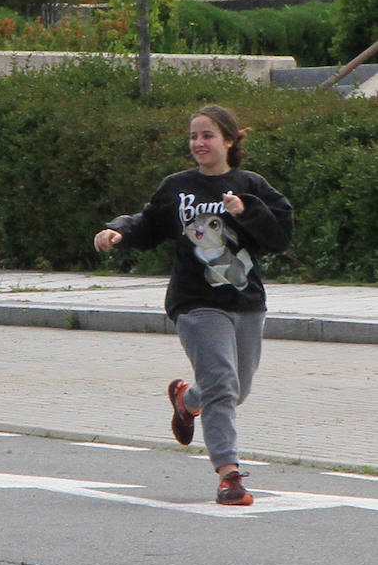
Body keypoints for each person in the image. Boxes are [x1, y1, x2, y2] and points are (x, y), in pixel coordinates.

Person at [94, 105, 293, 506]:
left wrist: (246, 209)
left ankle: (187, 400)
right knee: (223, 385)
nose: (198, 144)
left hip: (245, 300)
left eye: (208, 136)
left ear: (230, 141)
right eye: (193, 137)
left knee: (237, 389)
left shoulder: (252, 185)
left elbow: (280, 236)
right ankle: (229, 476)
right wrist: (117, 230)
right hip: (195, 302)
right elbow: (148, 224)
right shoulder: (177, 187)